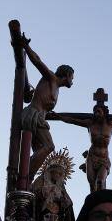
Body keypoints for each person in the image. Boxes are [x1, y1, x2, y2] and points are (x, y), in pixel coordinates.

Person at [15, 33, 74, 180]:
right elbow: (37, 61)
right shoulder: (51, 78)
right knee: (49, 147)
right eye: (72, 77)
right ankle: (24, 174)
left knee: (38, 151)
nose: (73, 80)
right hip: (34, 115)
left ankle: (27, 178)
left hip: (39, 118)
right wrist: (26, 46)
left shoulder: (57, 89)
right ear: (66, 75)